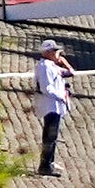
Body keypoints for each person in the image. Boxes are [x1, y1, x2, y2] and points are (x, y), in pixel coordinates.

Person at [34, 44, 77, 176]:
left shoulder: (52, 66)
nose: (58, 54)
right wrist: (61, 96)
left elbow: (70, 72)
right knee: (49, 137)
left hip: (55, 105)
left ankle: (49, 163)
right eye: (56, 51)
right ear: (48, 52)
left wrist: (63, 61)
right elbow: (46, 88)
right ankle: (45, 166)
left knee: (52, 136)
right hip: (50, 106)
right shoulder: (45, 68)